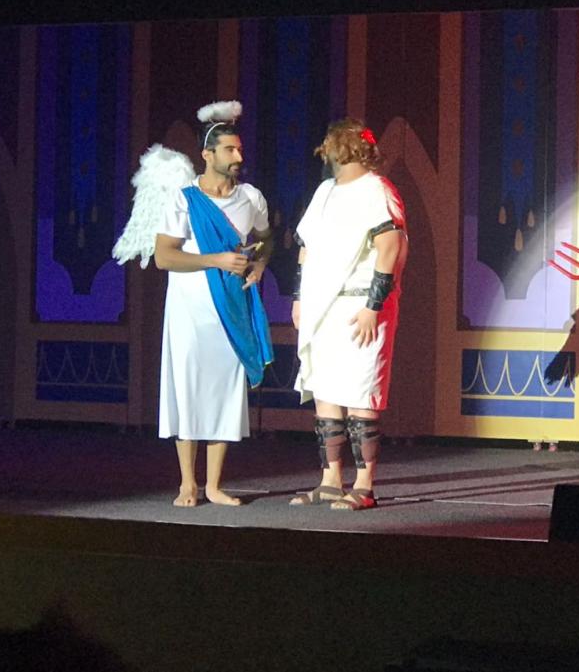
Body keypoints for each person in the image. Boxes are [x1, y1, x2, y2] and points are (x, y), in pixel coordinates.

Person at [153, 102, 273, 507]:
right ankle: (188, 483)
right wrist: (216, 260)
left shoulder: (251, 198)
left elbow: (266, 239)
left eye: (239, 149)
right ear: (207, 155)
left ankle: (214, 485)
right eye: (229, 150)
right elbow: (164, 257)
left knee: (225, 391)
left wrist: (259, 265)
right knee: (189, 390)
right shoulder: (183, 200)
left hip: (231, 309)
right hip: (189, 311)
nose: (238, 156)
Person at [289, 118, 407, 511]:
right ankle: (330, 480)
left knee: (360, 394)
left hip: (361, 306)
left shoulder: (377, 190)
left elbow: (389, 248)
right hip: (323, 306)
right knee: (326, 392)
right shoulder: (325, 192)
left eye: (331, 143)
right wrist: (299, 298)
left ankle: (364, 485)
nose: (326, 150)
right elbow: (306, 248)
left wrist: (374, 306)